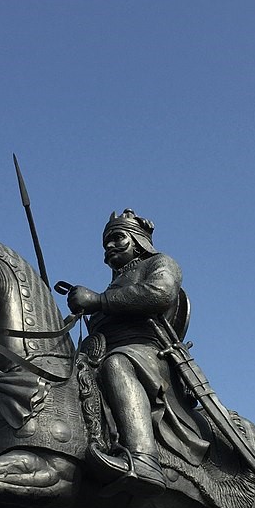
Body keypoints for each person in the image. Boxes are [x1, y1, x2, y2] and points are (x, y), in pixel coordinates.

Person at [67, 210, 208, 491]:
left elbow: (161, 293)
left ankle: (144, 458)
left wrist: (98, 300)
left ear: (139, 240)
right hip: (101, 352)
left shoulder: (161, 263)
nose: (109, 246)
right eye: (106, 242)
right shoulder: (116, 283)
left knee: (117, 364)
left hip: (145, 352)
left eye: (117, 238)